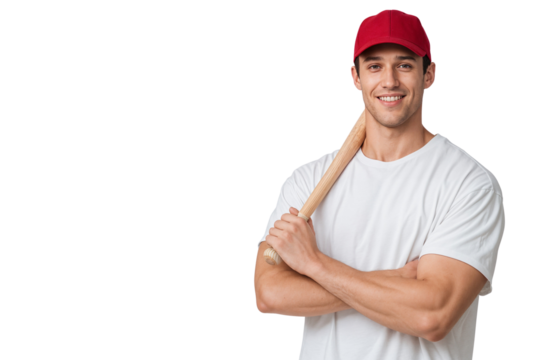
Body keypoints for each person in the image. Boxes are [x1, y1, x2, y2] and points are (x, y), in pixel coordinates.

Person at [253, 7, 505, 360]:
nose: (389, 81)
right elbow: (270, 295)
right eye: (374, 66)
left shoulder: (469, 183)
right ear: (355, 77)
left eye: (404, 64)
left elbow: (432, 314)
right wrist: (398, 280)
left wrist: (314, 266)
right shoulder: (308, 179)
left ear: (429, 74)